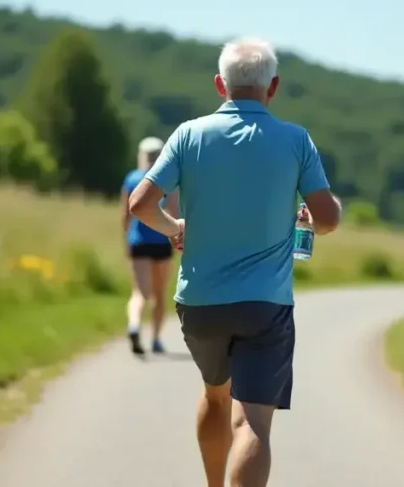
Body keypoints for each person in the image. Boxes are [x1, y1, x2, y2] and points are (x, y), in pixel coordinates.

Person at [127, 37, 342, 487]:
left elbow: (141, 204)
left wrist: (175, 228)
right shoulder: (296, 140)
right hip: (266, 306)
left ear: (220, 84)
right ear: (273, 87)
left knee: (215, 396)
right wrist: (317, 211)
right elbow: (326, 221)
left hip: (200, 302)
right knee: (254, 425)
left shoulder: (189, 134)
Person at [120, 136, 180, 356]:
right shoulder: (167, 179)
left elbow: (126, 213)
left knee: (139, 292)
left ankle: (134, 325)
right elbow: (173, 211)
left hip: (138, 242)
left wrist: (126, 238)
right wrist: (176, 236)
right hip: (161, 242)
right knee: (159, 293)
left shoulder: (132, 178)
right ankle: (155, 339)